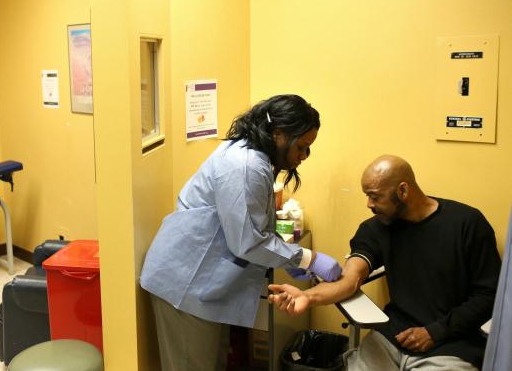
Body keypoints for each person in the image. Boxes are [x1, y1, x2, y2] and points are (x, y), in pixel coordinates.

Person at [140, 94, 343, 371]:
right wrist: (306, 258)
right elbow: (247, 242)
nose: (304, 156)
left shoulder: (254, 157)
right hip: (184, 284)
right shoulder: (245, 165)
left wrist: (286, 259)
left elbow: (250, 225)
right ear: (278, 133)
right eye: (302, 146)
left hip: (202, 283)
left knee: (213, 362)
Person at [268, 155, 501, 371]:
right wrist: (306, 297)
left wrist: (435, 332)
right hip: (392, 339)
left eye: (375, 196)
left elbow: (489, 295)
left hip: (451, 345)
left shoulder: (467, 224)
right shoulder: (376, 228)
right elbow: (349, 281)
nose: (369, 204)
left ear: (403, 190)